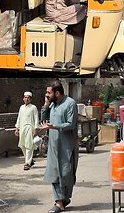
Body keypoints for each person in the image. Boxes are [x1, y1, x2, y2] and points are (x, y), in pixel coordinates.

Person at [41, 80, 79, 213]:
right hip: (53, 146)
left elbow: (71, 124)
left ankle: (64, 199)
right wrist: (46, 104)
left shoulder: (70, 104)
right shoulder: (52, 104)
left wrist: (55, 126)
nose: (47, 95)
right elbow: (43, 120)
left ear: (57, 93)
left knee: (67, 174)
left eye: (49, 93)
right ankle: (58, 202)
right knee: (54, 174)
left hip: (67, 147)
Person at [14, 91, 39, 170]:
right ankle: (29, 160)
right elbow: (19, 118)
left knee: (29, 146)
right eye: (25, 97)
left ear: (30, 99)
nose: (27, 99)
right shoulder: (21, 107)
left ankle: (27, 163)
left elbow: (36, 118)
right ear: (23, 98)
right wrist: (17, 128)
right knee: (22, 145)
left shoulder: (33, 107)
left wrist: (35, 129)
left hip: (30, 128)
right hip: (22, 129)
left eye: (28, 97)